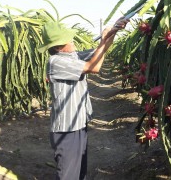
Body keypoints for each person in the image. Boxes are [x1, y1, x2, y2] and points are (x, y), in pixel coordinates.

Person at [37, 18, 128, 180]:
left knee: (80, 171)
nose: (73, 41)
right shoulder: (56, 62)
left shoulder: (72, 56)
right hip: (66, 129)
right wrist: (103, 40)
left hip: (78, 123)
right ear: (59, 46)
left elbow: (100, 51)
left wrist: (112, 32)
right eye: (69, 39)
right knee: (68, 174)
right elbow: (94, 67)